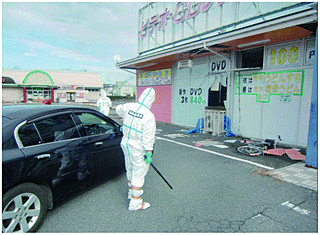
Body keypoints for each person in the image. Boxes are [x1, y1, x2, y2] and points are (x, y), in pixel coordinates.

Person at [116, 87, 156, 211]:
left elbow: (118, 109)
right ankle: (136, 202)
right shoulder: (148, 116)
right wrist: (149, 153)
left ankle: (130, 192)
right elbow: (148, 138)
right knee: (139, 172)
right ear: (151, 100)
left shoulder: (129, 106)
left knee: (130, 167)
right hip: (138, 147)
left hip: (126, 143)